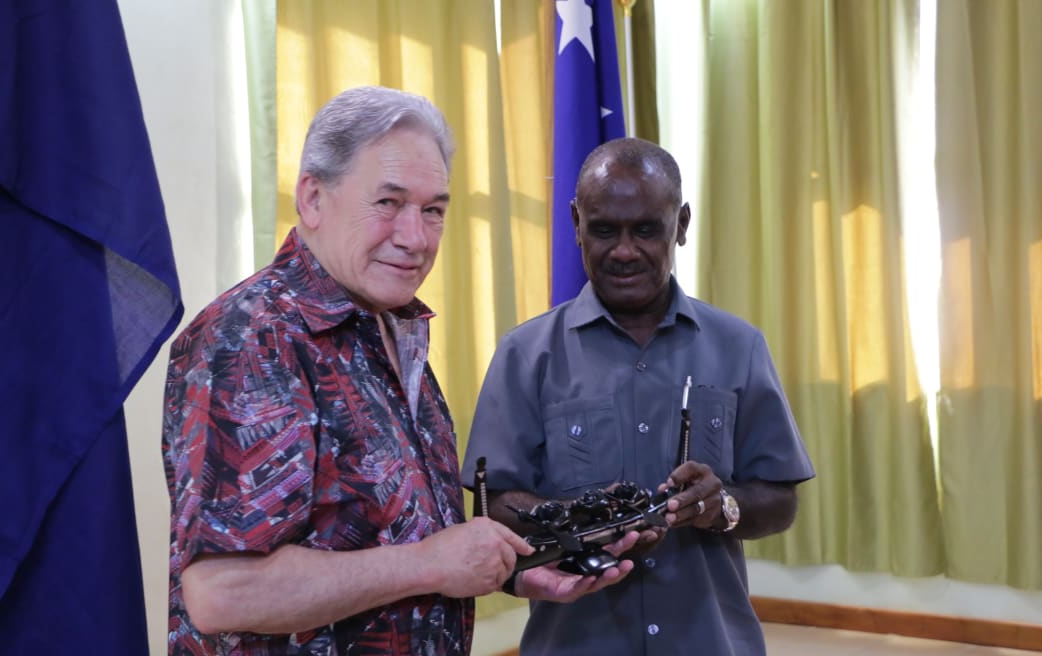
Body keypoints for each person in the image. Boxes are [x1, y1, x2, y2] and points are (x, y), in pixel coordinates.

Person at [161, 86, 632, 656]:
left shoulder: (390, 326)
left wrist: (510, 571)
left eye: (433, 210)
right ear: (312, 198)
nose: (416, 239)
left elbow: (390, 538)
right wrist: (426, 565)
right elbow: (222, 593)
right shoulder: (251, 336)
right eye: (388, 203)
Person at [461, 137, 816, 655]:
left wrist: (723, 507)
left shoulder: (740, 346)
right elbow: (496, 506)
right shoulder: (524, 355)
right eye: (605, 230)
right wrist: (583, 519)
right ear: (576, 224)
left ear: (683, 225)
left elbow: (780, 500)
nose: (624, 251)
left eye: (647, 230)